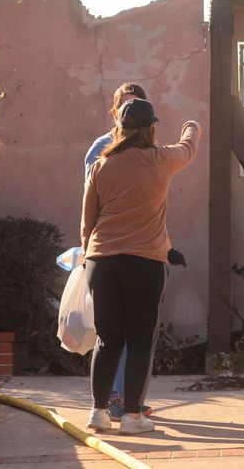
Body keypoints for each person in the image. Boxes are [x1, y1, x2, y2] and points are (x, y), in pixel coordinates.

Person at [82, 98, 201, 434]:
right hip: (144, 262)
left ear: (119, 127)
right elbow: (188, 147)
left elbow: (87, 223)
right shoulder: (160, 159)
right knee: (139, 341)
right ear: (151, 128)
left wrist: (87, 256)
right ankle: (133, 416)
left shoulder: (101, 166)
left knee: (107, 340)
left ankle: (98, 412)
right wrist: (192, 123)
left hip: (101, 262)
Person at [84, 82, 153, 421]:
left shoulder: (148, 154)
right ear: (115, 113)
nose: (132, 113)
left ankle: (120, 403)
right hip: (123, 254)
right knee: (121, 337)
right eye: (126, 106)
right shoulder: (104, 150)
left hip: (113, 255)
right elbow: (92, 207)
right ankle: (120, 405)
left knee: (119, 337)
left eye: (137, 106)